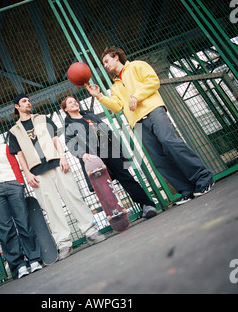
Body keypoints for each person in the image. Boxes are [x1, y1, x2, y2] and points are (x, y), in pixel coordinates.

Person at [85, 46, 215, 205]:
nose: (105, 65)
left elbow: (153, 81)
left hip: (153, 110)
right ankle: (186, 190)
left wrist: (136, 96)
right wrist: (99, 96)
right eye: (103, 63)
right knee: (158, 158)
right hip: (137, 123)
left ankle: (203, 178)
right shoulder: (115, 87)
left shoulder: (137, 66)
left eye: (106, 61)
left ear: (116, 57)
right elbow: (117, 107)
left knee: (169, 142)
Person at [8, 94, 106, 260]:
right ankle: (63, 243)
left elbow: (55, 139)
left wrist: (63, 156)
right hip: (37, 172)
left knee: (73, 197)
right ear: (17, 106)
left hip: (57, 163)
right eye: (24, 101)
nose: (28, 103)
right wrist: (27, 173)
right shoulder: (14, 131)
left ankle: (90, 231)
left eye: (29, 100)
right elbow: (19, 155)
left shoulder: (42, 119)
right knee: (51, 208)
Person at [61, 95, 157, 218]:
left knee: (125, 177)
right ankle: (116, 216)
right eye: (70, 102)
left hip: (110, 150)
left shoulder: (89, 115)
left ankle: (146, 205)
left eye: (75, 101)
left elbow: (106, 129)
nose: (74, 103)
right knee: (104, 188)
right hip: (93, 156)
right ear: (65, 109)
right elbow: (70, 143)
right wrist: (82, 154)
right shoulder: (69, 125)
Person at [0, 124, 42, 279]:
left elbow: (14, 164)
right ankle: (19, 265)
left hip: (12, 185)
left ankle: (34, 259)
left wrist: (19, 182)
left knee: (23, 222)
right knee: (5, 229)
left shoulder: (4, 147)